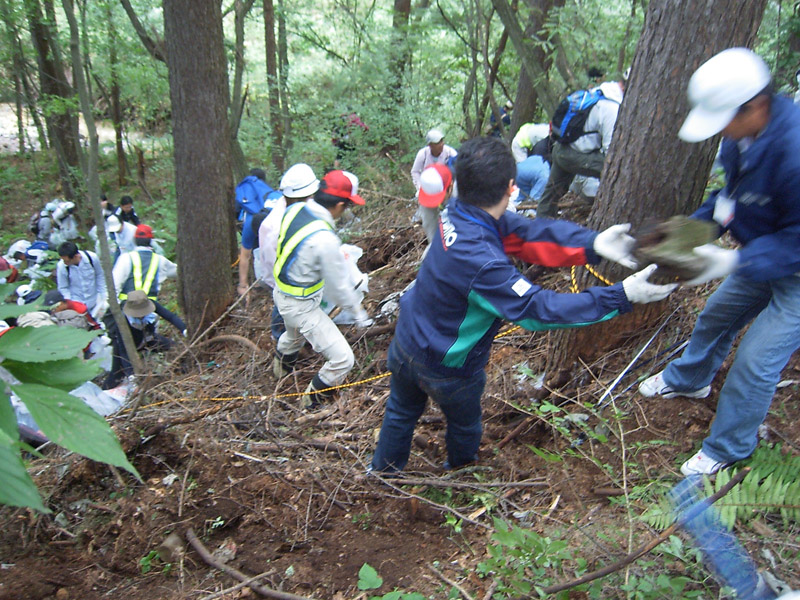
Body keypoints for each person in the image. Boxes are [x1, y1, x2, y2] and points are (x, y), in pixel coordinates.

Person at [369, 136, 676, 474]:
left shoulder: (459, 212)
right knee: (464, 423)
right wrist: (621, 296)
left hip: (406, 341)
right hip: (447, 366)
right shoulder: (484, 262)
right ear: (511, 188)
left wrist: (593, 244)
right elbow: (538, 310)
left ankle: (383, 473)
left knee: (400, 411)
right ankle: (461, 473)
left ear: (459, 182)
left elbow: (529, 234)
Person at [638, 48, 800, 477]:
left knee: (755, 362)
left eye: (724, 119)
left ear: (756, 106)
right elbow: (730, 198)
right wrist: (687, 235)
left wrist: (731, 262)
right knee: (715, 316)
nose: (721, 131)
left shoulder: (794, 151)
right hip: (759, 257)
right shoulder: (741, 139)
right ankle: (690, 379)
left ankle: (729, 448)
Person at [272, 170, 373, 408]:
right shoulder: (324, 239)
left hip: (282, 295)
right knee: (343, 359)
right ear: (339, 205)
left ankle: (278, 377)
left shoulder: (295, 210)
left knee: (293, 337)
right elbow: (339, 288)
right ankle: (308, 406)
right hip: (301, 307)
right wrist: (360, 315)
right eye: (347, 206)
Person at [536, 77, 626, 218]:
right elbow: (610, 151)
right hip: (573, 155)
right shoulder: (612, 108)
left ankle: (540, 226)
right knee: (616, 168)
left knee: (550, 196)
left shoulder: (599, 92)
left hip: (561, 148)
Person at [258, 163, 321, 341]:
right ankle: (281, 340)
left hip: (296, 278)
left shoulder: (295, 209)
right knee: (283, 311)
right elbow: (273, 265)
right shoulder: (275, 227)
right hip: (284, 283)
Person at [104, 290, 186, 389]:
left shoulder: (152, 304)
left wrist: (184, 329)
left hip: (148, 339)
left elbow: (170, 317)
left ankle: (183, 371)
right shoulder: (122, 320)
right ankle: (105, 390)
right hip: (128, 345)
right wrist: (131, 375)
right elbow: (124, 351)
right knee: (116, 375)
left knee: (175, 347)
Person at [235, 168, 278, 296]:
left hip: (274, 223)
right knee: (258, 252)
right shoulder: (250, 225)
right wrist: (242, 285)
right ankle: (261, 281)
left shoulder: (285, 213)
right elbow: (245, 256)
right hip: (259, 222)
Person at [112, 224, 177, 302]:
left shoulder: (125, 258)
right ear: (151, 241)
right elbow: (178, 271)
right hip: (151, 306)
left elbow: (114, 284)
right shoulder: (161, 260)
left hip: (127, 306)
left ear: (134, 240)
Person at [56, 241, 108, 320]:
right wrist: (70, 304)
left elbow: (99, 275)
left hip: (95, 300)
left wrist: (104, 296)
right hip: (77, 303)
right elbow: (63, 287)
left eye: (67, 261)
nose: (65, 263)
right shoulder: (62, 266)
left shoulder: (92, 258)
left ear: (75, 256)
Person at [410, 129, 458, 196]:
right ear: (430, 145)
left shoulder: (450, 152)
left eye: (442, 141)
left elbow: (459, 167)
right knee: (418, 195)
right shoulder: (423, 154)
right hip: (429, 185)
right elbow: (415, 171)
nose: (441, 144)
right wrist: (420, 187)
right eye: (437, 143)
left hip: (447, 185)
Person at [418, 163, 454, 246]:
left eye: (438, 197)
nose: (433, 202)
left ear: (450, 186)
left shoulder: (463, 192)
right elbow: (430, 226)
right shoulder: (427, 190)